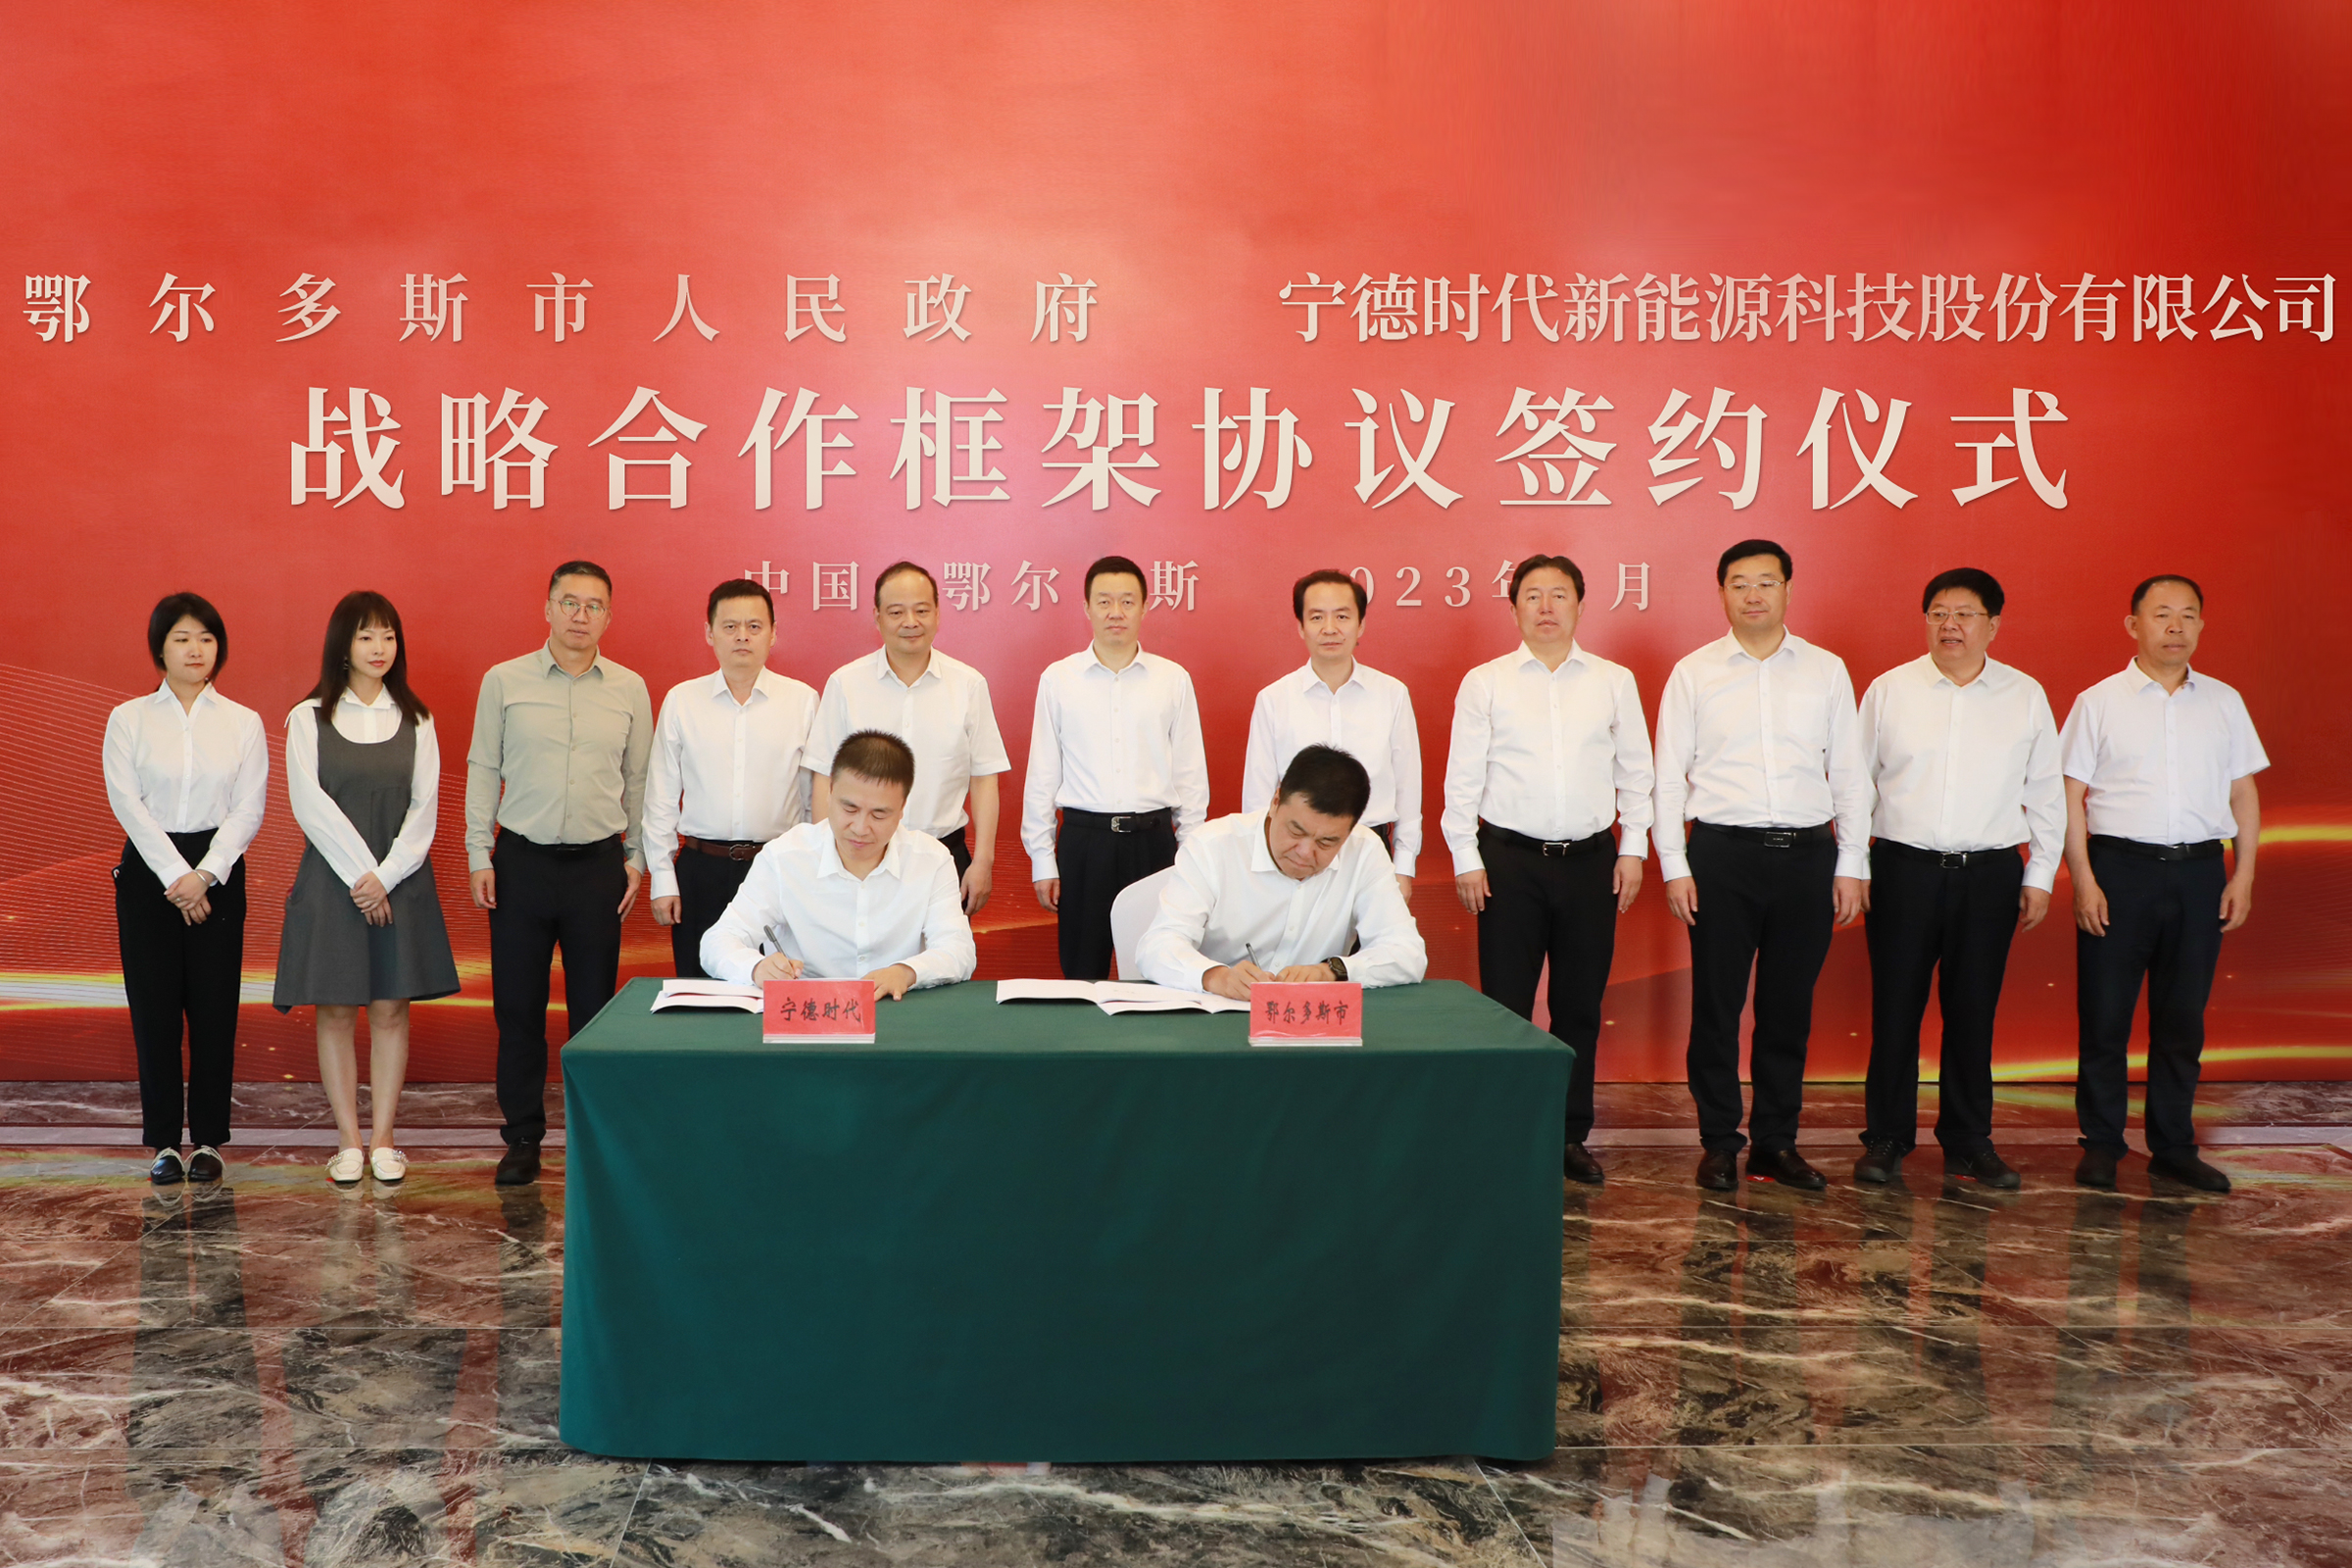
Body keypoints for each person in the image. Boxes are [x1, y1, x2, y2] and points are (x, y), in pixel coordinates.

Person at [1655, 540, 1872, 1193]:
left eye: (1767, 582)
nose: (1754, 594)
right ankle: (1720, 1141)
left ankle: (1777, 1143)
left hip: (1808, 856)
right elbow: (1668, 775)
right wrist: (1674, 864)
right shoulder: (1694, 672)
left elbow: (1850, 773)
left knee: (1788, 1010)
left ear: (1788, 590)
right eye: (1740, 583)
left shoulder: (1826, 671)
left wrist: (1852, 861)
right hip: (1721, 856)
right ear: (1722, 593)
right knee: (1717, 1008)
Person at [1443, 554, 1652, 1187]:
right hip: (1508, 863)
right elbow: (1463, 778)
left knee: (1578, 1008)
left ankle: (1568, 1134)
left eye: (1558, 594)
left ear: (1580, 605)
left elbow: (1636, 772)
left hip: (1591, 863)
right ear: (1514, 609)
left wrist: (1634, 848)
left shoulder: (1613, 681)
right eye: (1532, 595)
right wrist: (1465, 856)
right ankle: (1508, 1132)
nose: (1545, 606)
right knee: (1506, 1007)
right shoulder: (1486, 682)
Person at [1853, 568, 2062, 1191]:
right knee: (1895, 1009)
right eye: (1939, 613)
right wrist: (1853, 865)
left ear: (1993, 625)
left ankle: (1969, 1141)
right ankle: (1886, 1138)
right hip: (1903, 870)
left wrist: (2041, 873)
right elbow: (1856, 786)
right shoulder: (1889, 690)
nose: (1950, 625)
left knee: (1973, 1012)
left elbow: (2046, 793)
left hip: (1990, 874)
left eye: (1965, 614)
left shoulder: (2025, 695)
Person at [2061, 574, 2266, 1195]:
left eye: (2188, 615)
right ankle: (2102, 1144)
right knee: (2105, 1017)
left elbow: (2243, 793)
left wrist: (2243, 875)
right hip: (2119, 871)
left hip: (2201, 872)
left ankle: (2173, 1146)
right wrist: (2083, 880)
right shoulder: (2098, 701)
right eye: (2161, 615)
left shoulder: (2224, 701)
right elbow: (2069, 796)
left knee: (2182, 1019)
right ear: (2134, 625)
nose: (2176, 626)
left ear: (2201, 625)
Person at [465, 561, 654, 1187]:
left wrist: (637, 859)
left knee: (593, 1012)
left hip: (598, 868)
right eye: (569, 602)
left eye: (594, 605)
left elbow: (639, 780)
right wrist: (478, 853)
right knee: (518, 1010)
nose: (580, 615)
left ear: (609, 616)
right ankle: (522, 1137)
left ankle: (589, 1138)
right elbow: (483, 768)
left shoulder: (629, 688)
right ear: (547, 608)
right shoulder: (504, 681)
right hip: (520, 864)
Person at [273, 592, 461, 1186]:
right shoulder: (308, 718)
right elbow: (310, 806)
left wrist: (385, 877)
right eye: (365, 636)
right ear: (342, 645)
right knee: (335, 1008)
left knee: (389, 1008)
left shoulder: (418, 719)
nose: (379, 648)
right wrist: (363, 878)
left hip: (398, 881)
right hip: (334, 881)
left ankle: (384, 1139)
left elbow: (425, 810)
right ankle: (347, 1142)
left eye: (388, 636)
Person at [103, 593, 267, 1186]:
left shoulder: (243, 722)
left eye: (206, 638)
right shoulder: (129, 719)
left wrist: (206, 873)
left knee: (215, 1009)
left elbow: (249, 809)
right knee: (155, 1013)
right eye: (182, 638)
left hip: (218, 872)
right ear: (160, 648)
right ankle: (166, 1144)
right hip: (150, 872)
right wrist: (177, 875)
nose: (196, 649)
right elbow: (128, 804)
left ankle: (210, 1142)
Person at [1022, 555, 1210, 980]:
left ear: (1145, 607)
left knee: (1156, 970)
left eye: (1127, 601)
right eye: (1104, 601)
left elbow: (1190, 778)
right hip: (1084, 844)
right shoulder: (1059, 679)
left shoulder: (1172, 679)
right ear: (1086, 607)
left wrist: (1190, 857)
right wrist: (1043, 860)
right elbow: (1042, 777)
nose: (1116, 612)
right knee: (1081, 973)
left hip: (1154, 844)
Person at [1139, 744, 1427, 996]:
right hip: (1219, 1012)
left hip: (1309, 1023)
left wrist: (1331, 970)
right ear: (1275, 802)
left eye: (1326, 842)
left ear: (1350, 831)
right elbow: (1157, 946)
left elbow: (1407, 954)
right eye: (1296, 831)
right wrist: (1216, 977)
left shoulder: (1364, 851)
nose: (1305, 852)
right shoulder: (1213, 847)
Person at [701, 730, 977, 993]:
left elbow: (958, 949)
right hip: (807, 1012)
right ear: (830, 790)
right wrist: (756, 968)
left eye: (879, 815)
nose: (860, 828)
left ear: (903, 807)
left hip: (897, 1008)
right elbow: (718, 941)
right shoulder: (784, 857)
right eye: (850, 808)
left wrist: (906, 972)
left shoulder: (931, 860)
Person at [806, 562, 1009, 914]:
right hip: (860, 856)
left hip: (944, 855)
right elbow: (824, 775)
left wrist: (983, 862)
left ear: (938, 614)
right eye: (896, 612)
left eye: (922, 610)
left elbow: (984, 778)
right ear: (877, 617)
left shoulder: (968, 684)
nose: (910, 622)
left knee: (942, 950)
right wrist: (827, 856)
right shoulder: (846, 683)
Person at [643, 579, 818, 977]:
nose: (742, 636)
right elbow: (661, 798)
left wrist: (807, 874)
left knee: (778, 986)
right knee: (699, 990)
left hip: (776, 869)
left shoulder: (803, 701)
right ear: (709, 633)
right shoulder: (682, 700)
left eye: (754, 626)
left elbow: (812, 801)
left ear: (773, 633)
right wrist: (664, 878)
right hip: (700, 871)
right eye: (730, 626)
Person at [1241, 570, 1421, 901]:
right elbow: (1257, 798)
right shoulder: (1274, 699)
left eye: (1342, 616)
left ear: (1360, 625)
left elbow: (1408, 789)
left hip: (1371, 852)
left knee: (1372, 937)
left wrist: (1404, 868)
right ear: (1300, 627)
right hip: (1298, 853)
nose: (1329, 628)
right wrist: (1266, 869)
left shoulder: (1392, 694)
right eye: (1316, 617)